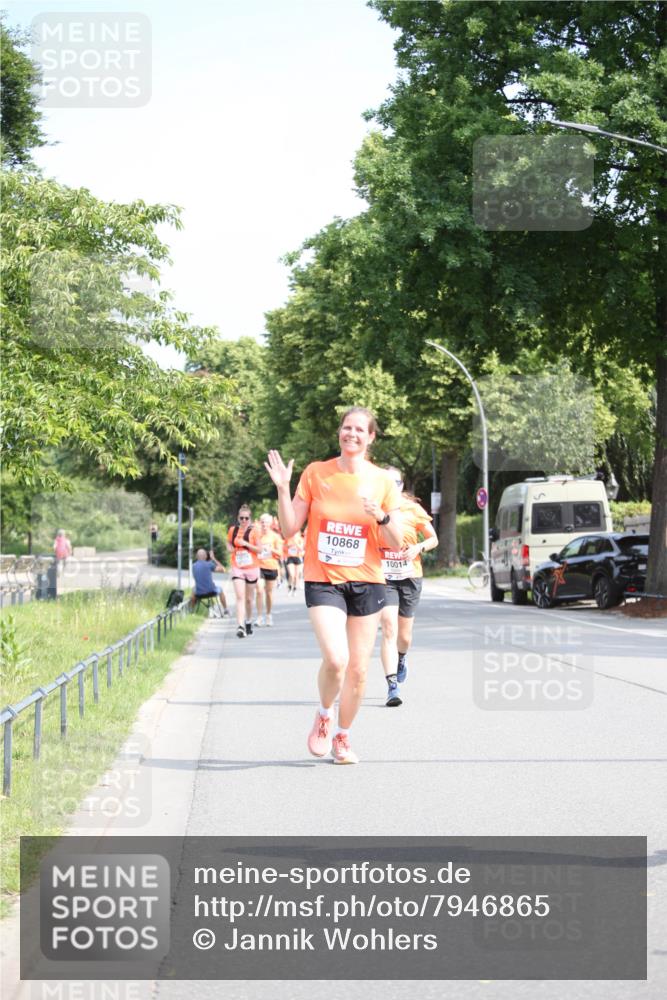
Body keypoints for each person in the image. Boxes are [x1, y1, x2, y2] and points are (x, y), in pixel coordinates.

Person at [265, 406, 403, 764]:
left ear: (371, 437)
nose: (351, 434)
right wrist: (282, 490)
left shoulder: (383, 482)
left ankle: (343, 736)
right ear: (339, 432)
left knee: (358, 670)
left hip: (368, 581)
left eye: (359, 429)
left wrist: (383, 517)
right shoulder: (315, 473)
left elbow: (396, 541)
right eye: (346, 428)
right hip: (323, 579)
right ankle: (324, 715)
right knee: (337, 659)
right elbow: (290, 527)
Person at [379, 467, 438, 707]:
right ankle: (392, 685)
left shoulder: (412, 509)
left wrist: (418, 548)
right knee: (389, 629)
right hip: (384, 577)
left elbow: (433, 538)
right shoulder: (375, 509)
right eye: (387, 482)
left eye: (397, 482)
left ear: (402, 485)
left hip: (410, 575)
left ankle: (401, 659)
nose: (392, 486)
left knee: (404, 636)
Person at [227, 505, 262, 638]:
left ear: (250, 518)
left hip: (252, 568)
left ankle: (248, 621)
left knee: (248, 599)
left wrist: (246, 544)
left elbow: (259, 550)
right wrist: (230, 547)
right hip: (237, 567)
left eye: (246, 518)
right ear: (238, 518)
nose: (244, 520)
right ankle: (240, 626)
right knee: (240, 597)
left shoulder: (255, 531)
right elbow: (228, 542)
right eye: (241, 518)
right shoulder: (232, 530)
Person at [255, 513, 283, 627]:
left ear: (270, 524)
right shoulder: (256, 536)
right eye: (262, 522)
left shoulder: (275, 537)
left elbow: (280, 553)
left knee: (269, 593)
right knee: (259, 590)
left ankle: (268, 615)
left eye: (266, 522)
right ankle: (259, 617)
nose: (264, 525)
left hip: (271, 566)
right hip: (259, 566)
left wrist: (271, 549)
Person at [190, 548, 229, 615]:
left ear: (196, 556)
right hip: (211, 591)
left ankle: (191, 611)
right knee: (221, 590)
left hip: (199, 593)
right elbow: (223, 569)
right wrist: (213, 558)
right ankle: (225, 609)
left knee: (193, 590)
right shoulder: (209, 564)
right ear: (206, 556)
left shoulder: (193, 566)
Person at [283, 529, 304, 593]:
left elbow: (301, 548)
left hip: (298, 558)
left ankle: (294, 588)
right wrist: (288, 546)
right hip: (290, 558)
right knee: (291, 574)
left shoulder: (300, 539)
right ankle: (289, 586)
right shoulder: (288, 539)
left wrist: (296, 543)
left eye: (296, 533)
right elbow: (284, 548)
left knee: (296, 575)